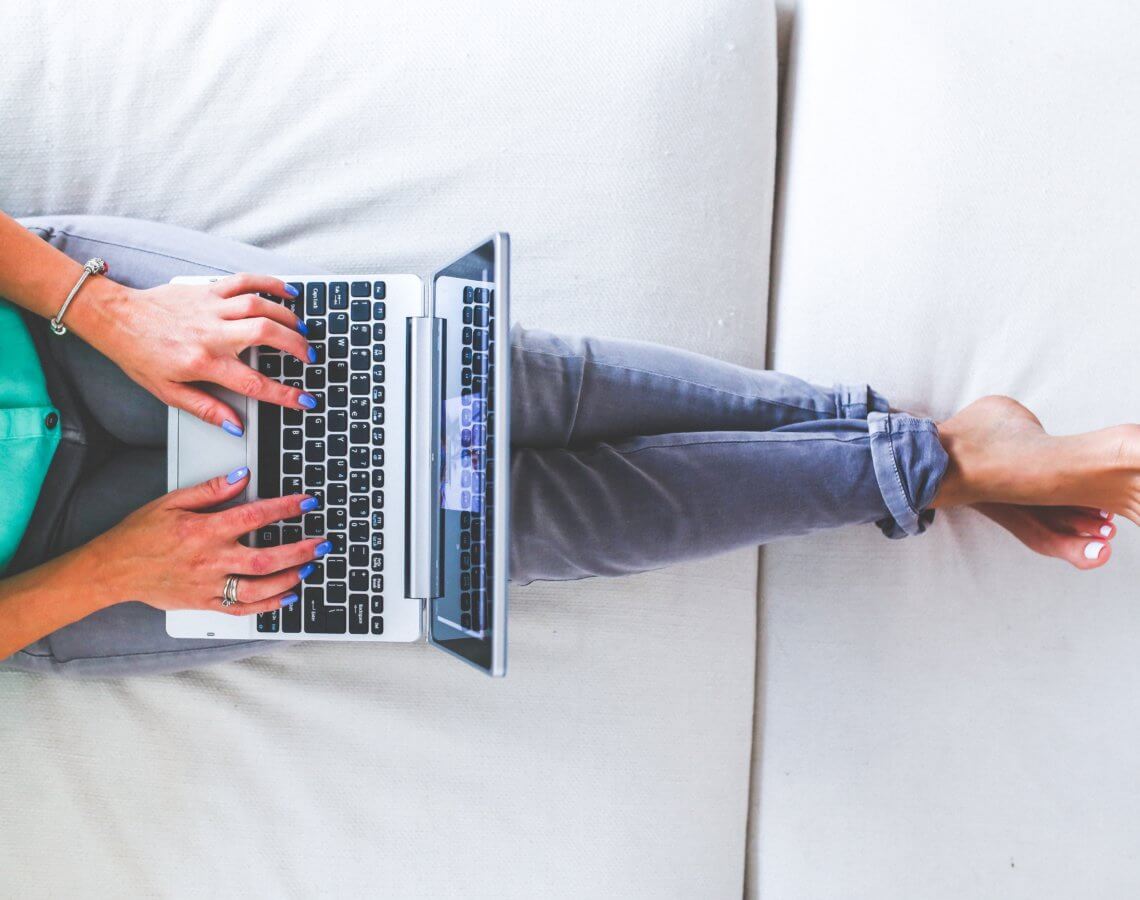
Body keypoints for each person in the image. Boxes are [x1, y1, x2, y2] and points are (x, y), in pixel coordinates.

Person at [0, 212, 1128, 676]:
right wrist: (109, 573)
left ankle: (945, 462)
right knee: (474, 530)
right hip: (47, 565)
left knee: (452, 400)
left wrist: (106, 307)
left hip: (52, 324)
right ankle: (949, 456)